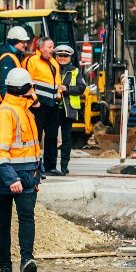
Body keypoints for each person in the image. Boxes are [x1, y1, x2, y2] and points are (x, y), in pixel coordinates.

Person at [0, 66, 42, 272]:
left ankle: (27, 260)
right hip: (3, 176)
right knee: (3, 221)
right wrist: (11, 178)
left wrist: (37, 174)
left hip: (25, 175)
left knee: (27, 218)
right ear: (25, 88)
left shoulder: (25, 111)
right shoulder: (5, 114)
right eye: (31, 87)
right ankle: (5, 268)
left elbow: (32, 148)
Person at [21, 36, 64, 174]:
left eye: (53, 47)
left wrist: (59, 96)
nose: (53, 49)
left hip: (52, 105)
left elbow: (58, 82)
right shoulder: (31, 61)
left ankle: (50, 166)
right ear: (41, 47)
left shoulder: (54, 63)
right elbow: (27, 83)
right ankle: (34, 166)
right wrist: (35, 101)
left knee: (52, 136)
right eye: (50, 47)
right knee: (36, 136)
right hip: (38, 105)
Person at [53, 43, 91, 176]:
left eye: (65, 56)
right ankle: (51, 166)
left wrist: (67, 89)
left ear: (70, 57)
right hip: (53, 109)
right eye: (60, 55)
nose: (62, 58)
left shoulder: (75, 71)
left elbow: (82, 88)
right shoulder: (51, 68)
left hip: (68, 110)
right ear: (56, 56)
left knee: (66, 139)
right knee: (51, 138)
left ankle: (64, 167)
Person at [0, 26, 32, 100]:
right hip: (5, 102)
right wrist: (8, 102)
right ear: (14, 42)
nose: (26, 45)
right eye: (23, 42)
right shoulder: (7, 58)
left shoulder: (15, 54)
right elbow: (4, 84)